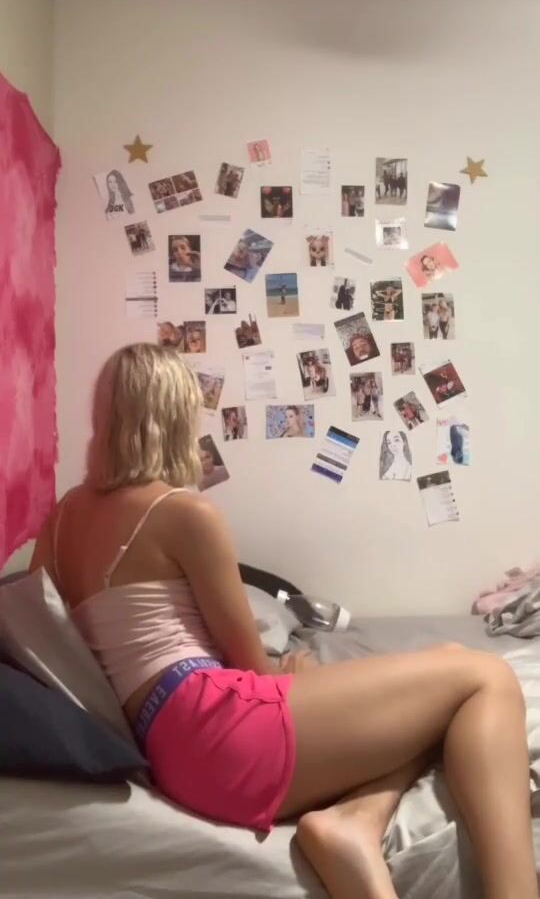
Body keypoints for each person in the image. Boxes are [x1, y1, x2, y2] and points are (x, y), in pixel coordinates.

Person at [30, 343, 538, 899]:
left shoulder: (61, 520)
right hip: (217, 730)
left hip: (166, 751)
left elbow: (45, 635)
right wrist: (295, 675)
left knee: (436, 701)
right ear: (175, 416)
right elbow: (254, 667)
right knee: (486, 677)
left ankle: (356, 824)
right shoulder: (184, 513)